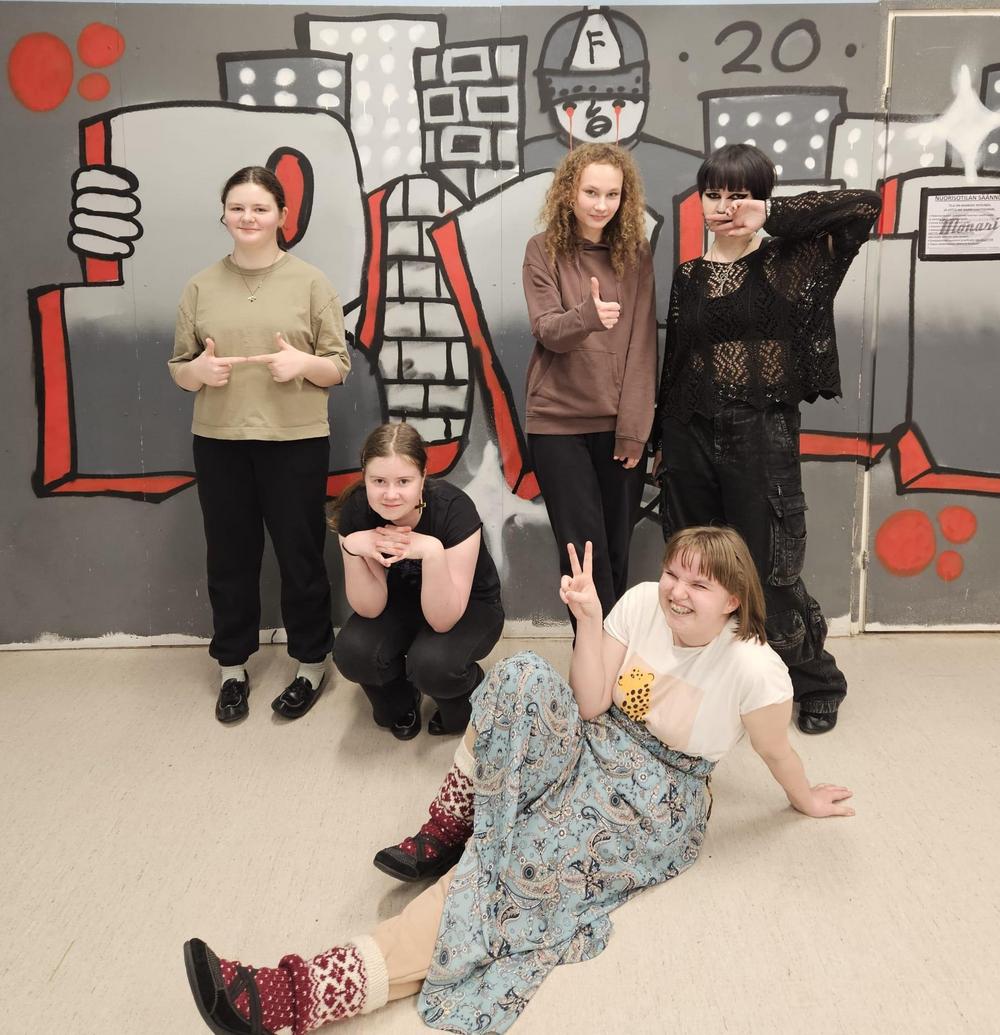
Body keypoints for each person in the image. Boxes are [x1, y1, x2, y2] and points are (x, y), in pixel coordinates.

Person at [184, 525, 854, 1035]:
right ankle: (454, 820)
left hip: (656, 799)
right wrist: (588, 620)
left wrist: (806, 799)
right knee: (521, 677)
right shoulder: (642, 603)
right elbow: (590, 703)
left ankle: (298, 995)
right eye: (673, 572)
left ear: (733, 599)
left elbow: (775, 752)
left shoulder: (753, 667)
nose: (677, 590)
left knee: (512, 868)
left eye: (699, 584)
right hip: (599, 739)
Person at [654, 144, 882, 734]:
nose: (723, 207)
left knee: (768, 570)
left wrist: (771, 216)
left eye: (739, 195)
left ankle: (817, 680)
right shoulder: (689, 275)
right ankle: (720, 680)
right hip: (688, 433)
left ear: (760, 198)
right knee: (697, 567)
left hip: (760, 432)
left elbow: (865, 207)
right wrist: (661, 442)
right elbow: (677, 360)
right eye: (713, 194)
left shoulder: (791, 260)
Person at [169, 166, 350, 724]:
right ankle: (232, 667)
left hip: (295, 442)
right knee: (229, 557)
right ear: (224, 214)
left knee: (300, 555)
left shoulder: (312, 283)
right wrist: (198, 372)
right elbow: (180, 369)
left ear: (281, 216)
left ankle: (311, 662)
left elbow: (338, 366)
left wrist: (303, 363)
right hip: (219, 442)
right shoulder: (200, 286)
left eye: (260, 208)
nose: (248, 217)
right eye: (237, 207)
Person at [522, 141, 656, 626]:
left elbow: (643, 344)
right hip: (557, 424)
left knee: (616, 552)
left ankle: (610, 657)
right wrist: (588, 317)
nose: (601, 204)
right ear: (569, 192)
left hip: (617, 426)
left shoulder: (635, 254)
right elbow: (547, 330)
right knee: (582, 560)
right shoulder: (542, 250)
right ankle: (592, 659)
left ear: (625, 198)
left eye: (612, 194)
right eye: (591, 192)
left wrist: (634, 431)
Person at [328, 423, 504, 740]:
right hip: (401, 600)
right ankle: (403, 698)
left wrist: (432, 552)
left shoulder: (454, 510)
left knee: (433, 666)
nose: (390, 494)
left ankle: (471, 688)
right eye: (378, 481)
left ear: (423, 477)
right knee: (353, 651)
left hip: (468, 605)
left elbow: (442, 620)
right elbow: (370, 608)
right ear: (364, 476)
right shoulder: (357, 510)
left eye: (404, 481)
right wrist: (353, 548)